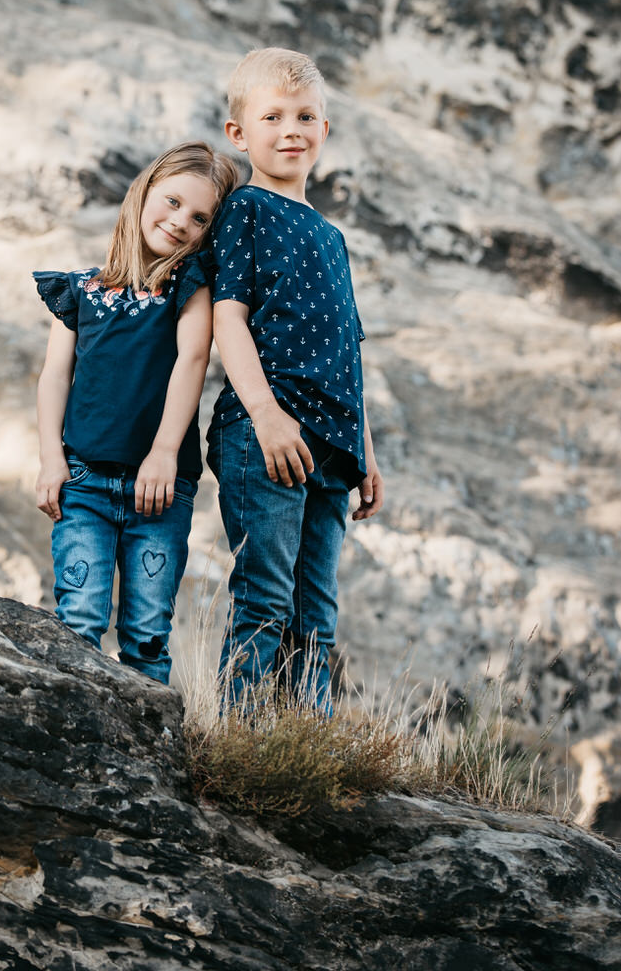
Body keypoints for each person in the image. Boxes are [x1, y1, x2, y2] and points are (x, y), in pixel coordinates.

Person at [206, 47, 384, 712]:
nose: (290, 130)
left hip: (334, 446)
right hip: (265, 433)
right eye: (272, 116)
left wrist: (364, 448)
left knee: (317, 610)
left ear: (323, 131)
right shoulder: (245, 211)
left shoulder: (331, 236)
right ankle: (234, 741)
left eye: (305, 116)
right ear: (238, 134)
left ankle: (305, 741)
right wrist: (264, 412)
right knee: (265, 597)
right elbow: (229, 318)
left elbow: (349, 350)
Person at [33, 141, 238, 684]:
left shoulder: (189, 289)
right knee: (79, 621)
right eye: (171, 202)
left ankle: (150, 755)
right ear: (143, 192)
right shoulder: (78, 290)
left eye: (199, 218)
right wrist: (51, 461)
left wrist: (164, 452)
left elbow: (193, 359)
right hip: (84, 484)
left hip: (161, 491)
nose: (179, 223)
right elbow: (55, 377)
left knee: (147, 635)